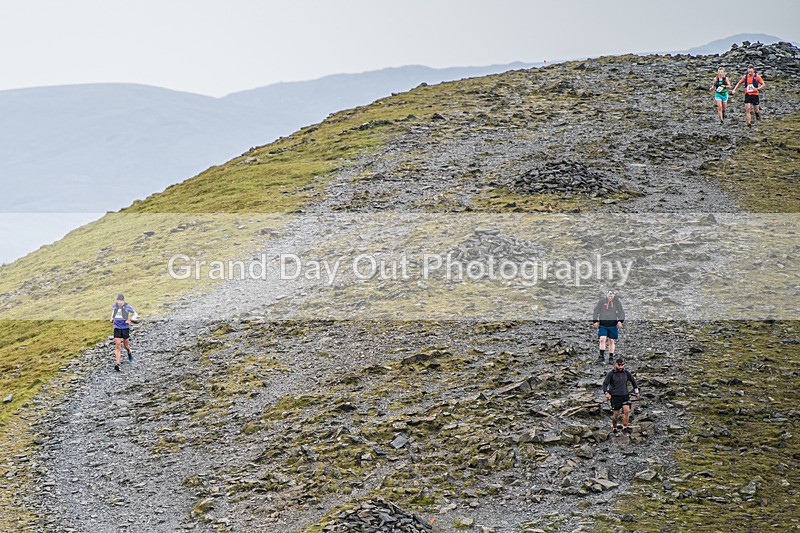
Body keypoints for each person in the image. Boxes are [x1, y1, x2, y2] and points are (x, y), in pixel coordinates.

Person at [602, 358, 640, 435]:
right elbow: (605, 384)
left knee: (626, 411)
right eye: (619, 365)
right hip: (615, 397)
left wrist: (636, 391)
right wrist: (606, 393)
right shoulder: (611, 374)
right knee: (616, 414)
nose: (620, 367)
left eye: (622, 365)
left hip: (625, 395)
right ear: (615, 364)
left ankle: (625, 427)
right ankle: (614, 427)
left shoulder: (626, 373)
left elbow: (633, 381)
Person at [593, 290, 625, 363]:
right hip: (603, 324)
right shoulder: (601, 301)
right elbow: (596, 311)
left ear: (614, 295)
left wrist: (620, 321)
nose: (610, 297)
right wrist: (595, 321)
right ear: (606, 295)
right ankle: (601, 356)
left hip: (613, 324)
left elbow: (621, 312)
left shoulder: (617, 303)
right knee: (602, 338)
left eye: (612, 296)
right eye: (609, 295)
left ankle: (611, 357)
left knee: (611, 340)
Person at [110, 294, 136, 372]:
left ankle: (129, 352)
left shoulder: (128, 306)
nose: (119, 302)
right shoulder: (115, 306)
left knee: (125, 346)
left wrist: (130, 319)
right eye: (118, 300)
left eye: (120, 300)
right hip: (117, 327)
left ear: (123, 301)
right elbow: (113, 312)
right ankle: (117, 364)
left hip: (125, 328)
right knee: (118, 345)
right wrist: (111, 318)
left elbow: (135, 313)